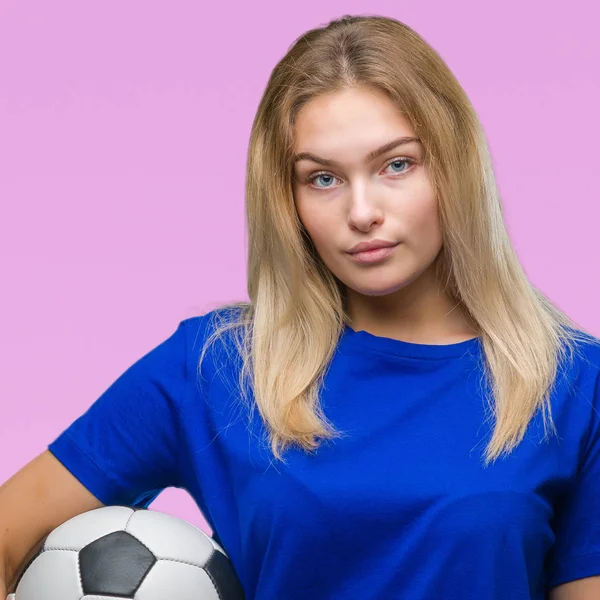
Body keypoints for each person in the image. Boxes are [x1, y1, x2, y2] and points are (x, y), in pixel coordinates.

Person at [1, 14, 599, 600]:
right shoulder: (216, 368)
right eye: (322, 179)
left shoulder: (573, 385)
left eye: (397, 165)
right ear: (286, 199)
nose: (362, 211)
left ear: (455, 166)